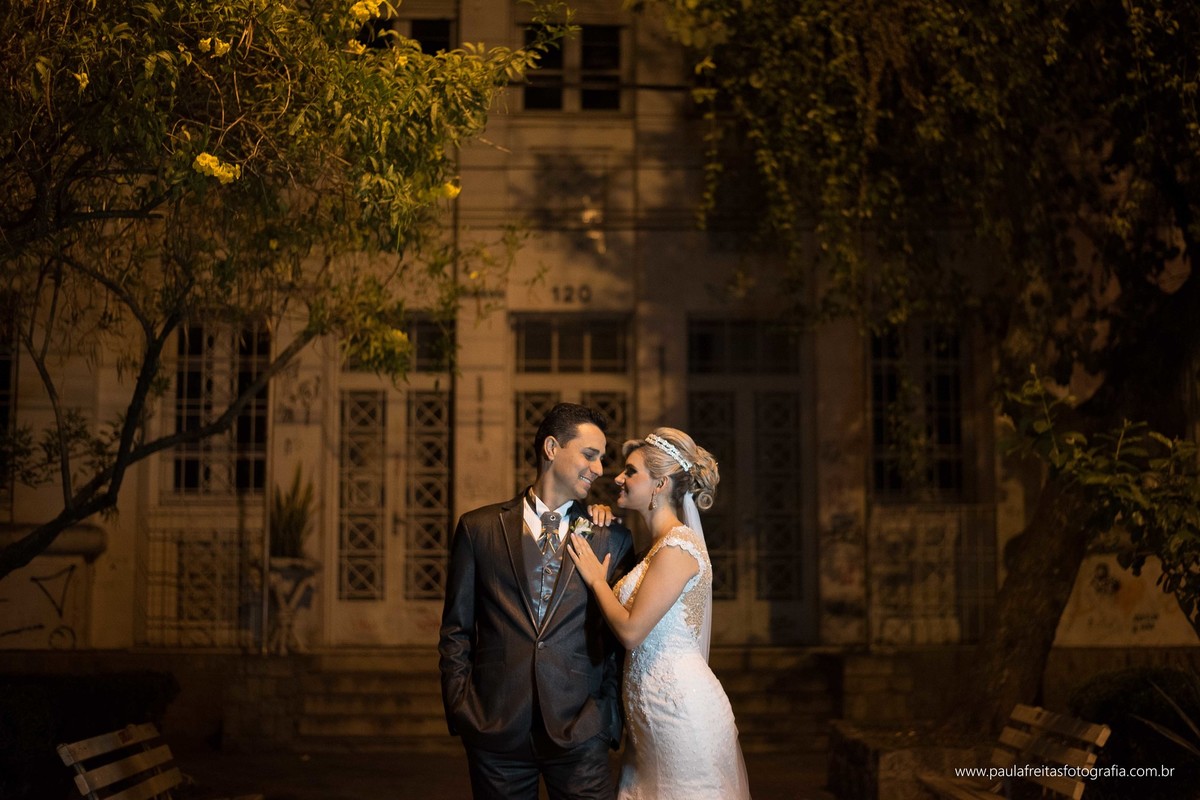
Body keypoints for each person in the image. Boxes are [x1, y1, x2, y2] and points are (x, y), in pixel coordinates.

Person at [439, 402, 636, 800]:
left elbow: (616, 641)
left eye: (601, 459)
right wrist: (463, 708)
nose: (599, 470)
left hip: (581, 732)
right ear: (551, 448)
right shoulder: (479, 529)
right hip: (495, 730)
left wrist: (606, 720)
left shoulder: (609, 537)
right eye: (589, 455)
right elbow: (457, 630)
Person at [568, 427, 752, 800]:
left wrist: (596, 580)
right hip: (649, 715)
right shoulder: (655, 549)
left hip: (681, 713)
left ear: (660, 484)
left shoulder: (679, 549)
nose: (617, 477)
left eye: (631, 472)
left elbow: (632, 632)